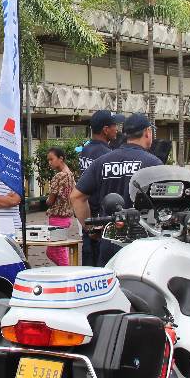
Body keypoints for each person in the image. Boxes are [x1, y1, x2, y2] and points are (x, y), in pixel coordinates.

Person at [71, 114, 162, 266]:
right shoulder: (153, 163)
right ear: (147, 132)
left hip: (109, 242)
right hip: (142, 245)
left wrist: (91, 229)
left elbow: (76, 197)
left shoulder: (103, 161)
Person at [77, 110, 119, 265]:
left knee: (88, 267)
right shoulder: (106, 155)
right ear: (105, 129)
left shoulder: (85, 150)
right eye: (114, 126)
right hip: (101, 220)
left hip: (87, 218)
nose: (117, 130)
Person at [45, 147, 75, 266]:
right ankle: (64, 269)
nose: (49, 162)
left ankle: (66, 271)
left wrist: (47, 200)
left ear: (61, 158)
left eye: (51, 159)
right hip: (66, 216)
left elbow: (50, 200)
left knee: (55, 250)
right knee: (56, 249)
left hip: (57, 216)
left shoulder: (59, 176)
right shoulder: (70, 174)